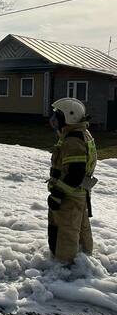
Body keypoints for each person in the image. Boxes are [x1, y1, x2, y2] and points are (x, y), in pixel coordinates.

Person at [47, 98, 97, 264]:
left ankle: (65, 265)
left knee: (66, 230)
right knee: (80, 227)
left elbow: (75, 174)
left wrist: (57, 194)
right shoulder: (79, 133)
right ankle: (84, 258)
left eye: (57, 117)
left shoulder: (73, 140)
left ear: (70, 117)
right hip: (79, 194)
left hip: (69, 195)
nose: (53, 121)